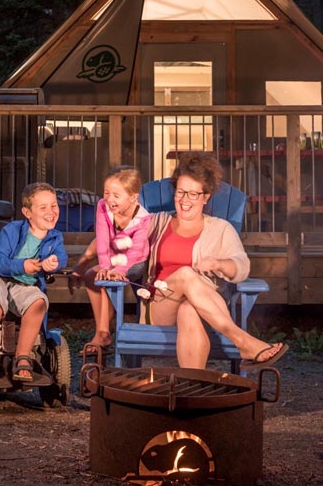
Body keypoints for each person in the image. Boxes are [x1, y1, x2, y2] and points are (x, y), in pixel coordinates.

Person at [143, 153, 288, 369]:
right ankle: (243, 341)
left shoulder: (221, 229)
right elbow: (120, 237)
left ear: (206, 196)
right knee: (185, 274)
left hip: (205, 309)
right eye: (181, 192)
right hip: (161, 305)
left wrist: (218, 263)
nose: (185, 200)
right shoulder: (156, 222)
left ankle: (193, 391)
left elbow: (241, 267)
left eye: (193, 194)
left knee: (189, 310)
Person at [0, 182, 68, 387]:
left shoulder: (55, 237)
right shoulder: (11, 230)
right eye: (43, 208)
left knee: (38, 301)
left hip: (22, 286)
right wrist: (22, 266)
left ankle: (23, 357)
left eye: (54, 206)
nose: (51, 212)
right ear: (27, 212)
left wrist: (54, 263)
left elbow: (62, 257)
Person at [69, 166, 151, 351]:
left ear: (133, 197)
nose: (109, 199)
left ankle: (114, 332)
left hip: (135, 261)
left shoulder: (143, 219)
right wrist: (105, 267)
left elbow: (136, 251)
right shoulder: (103, 207)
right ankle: (103, 332)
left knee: (106, 277)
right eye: (106, 193)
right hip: (113, 257)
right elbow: (103, 239)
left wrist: (119, 271)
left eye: (116, 195)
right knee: (92, 275)